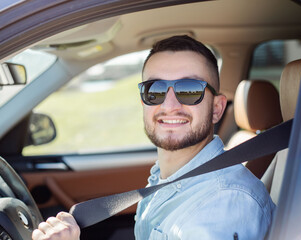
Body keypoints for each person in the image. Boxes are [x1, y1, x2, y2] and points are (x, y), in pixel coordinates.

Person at [32, 35, 275, 240]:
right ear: (144, 102)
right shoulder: (170, 177)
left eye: (189, 90)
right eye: (155, 90)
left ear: (217, 108)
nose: (169, 105)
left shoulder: (222, 205)